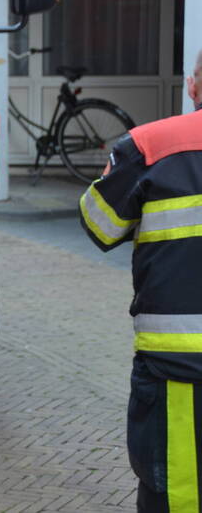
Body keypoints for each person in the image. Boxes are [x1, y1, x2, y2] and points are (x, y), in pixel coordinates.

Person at [79, 65, 202, 512]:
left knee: (177, 495)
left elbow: (99, 224)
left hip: (179, 373)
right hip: (177, 369)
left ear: (193, 85)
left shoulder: (150, 147)